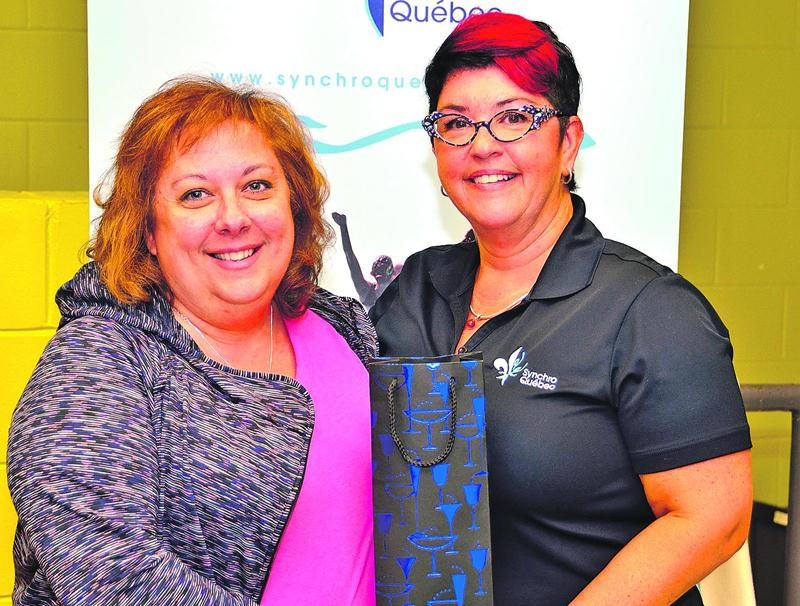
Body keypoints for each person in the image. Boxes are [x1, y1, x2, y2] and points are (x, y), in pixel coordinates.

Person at [370, 13, 752, 605]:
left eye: (516, 117)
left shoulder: (650, 310)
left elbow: (713, 517)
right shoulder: (416, 286)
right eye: (455, 123)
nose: (482, 144)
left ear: (568, 142)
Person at [8, 77, 377, 605]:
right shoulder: (98, 362)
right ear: (149, 232)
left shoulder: (344, 328)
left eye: (256, 186)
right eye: (195, 195)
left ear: (293, 208)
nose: (232, 218)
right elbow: (115, 581)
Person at [331, 211, 401, 308]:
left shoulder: (400, 278)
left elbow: (350, 257)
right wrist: (343, 227)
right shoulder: (368, 293)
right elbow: (350, 258)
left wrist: (343, 227)